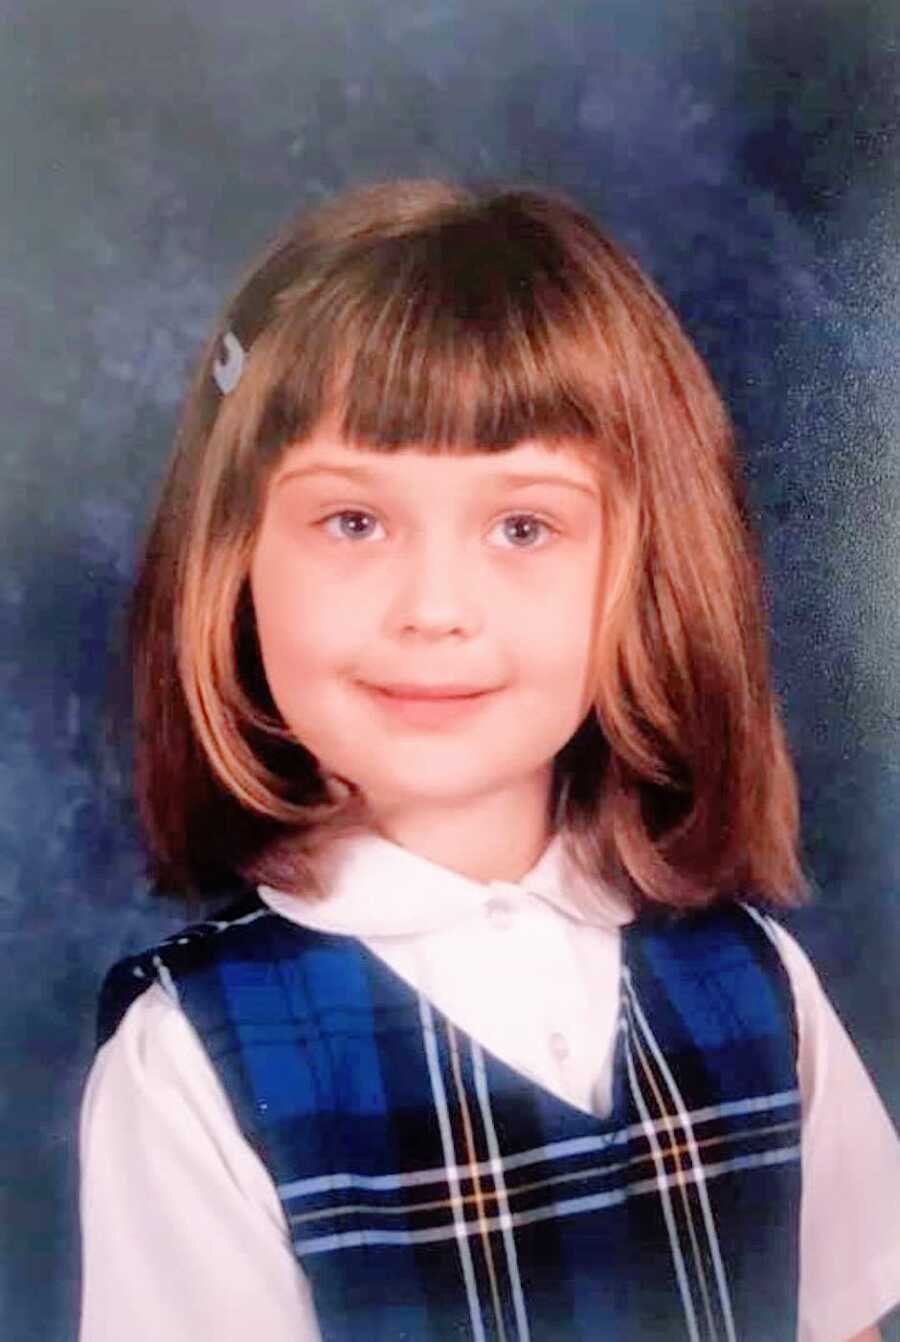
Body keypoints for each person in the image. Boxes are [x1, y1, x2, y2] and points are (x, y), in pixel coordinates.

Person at [78, 179, 900, 1342]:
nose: (435, 608)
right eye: (353, 522)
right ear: (235, 564)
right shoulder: (191, 1061)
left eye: (524, 527)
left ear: (649, 575)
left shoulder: (757, 979)